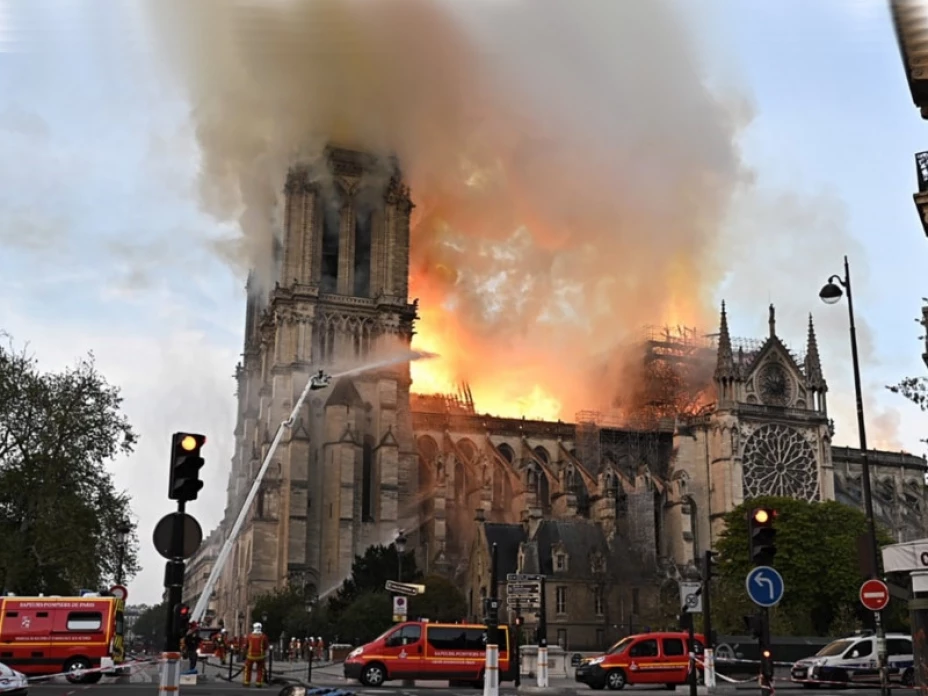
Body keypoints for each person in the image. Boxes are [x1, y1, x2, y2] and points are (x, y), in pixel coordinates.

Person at [244, 622, 270, 687]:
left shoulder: (249, 636)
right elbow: (266, 646)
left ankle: (247, 681)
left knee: (248, 669)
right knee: (260, 669)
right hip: (260, 656)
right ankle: (258, 682)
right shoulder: (263, 636)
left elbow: (246, 646)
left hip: (250, 656)